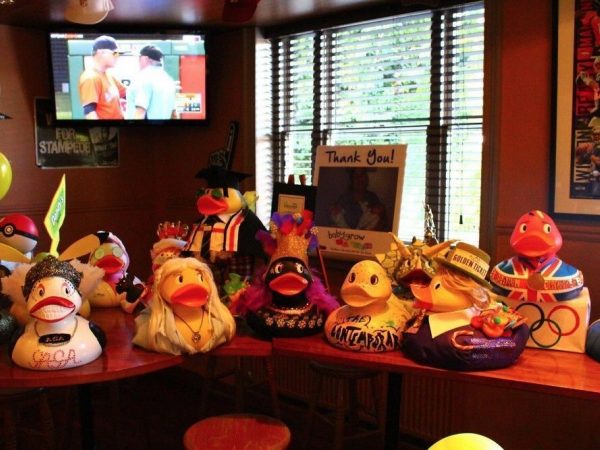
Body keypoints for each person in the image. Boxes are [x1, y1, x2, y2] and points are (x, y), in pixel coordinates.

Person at [78, 35, 127, 119]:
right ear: (102, 52)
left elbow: (127, 94)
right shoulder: (90, 78)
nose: (118, 56)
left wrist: (118, 102)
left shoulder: (110, 75)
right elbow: (89, 112)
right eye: (115, 53)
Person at [126, 45, 177, 120]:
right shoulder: (168, 80)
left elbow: (140, 112)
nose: (138, 62)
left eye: (139, 58)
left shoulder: (143, 78)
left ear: (145, 59)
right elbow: (174, 114)